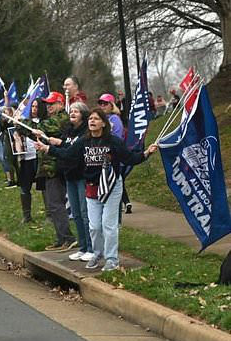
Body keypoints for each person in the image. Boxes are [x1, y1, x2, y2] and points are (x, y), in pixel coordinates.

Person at [35, 108, 158, 271]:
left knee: (109, 225)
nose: (92, 121)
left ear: (103, 123)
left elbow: (130, 158)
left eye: (96, 119)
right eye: (90, 119)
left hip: (112, 186)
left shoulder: (113, 141)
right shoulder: (83, 141)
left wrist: (147, 153)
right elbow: (67, 154)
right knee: (94, 226)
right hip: (92, 187)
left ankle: (112, 259)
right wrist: (47, 148)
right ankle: (97, 253)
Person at [39, 102, 93, 261]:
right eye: (72, 111)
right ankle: (82, 247)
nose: (73, 113)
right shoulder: (69, 131)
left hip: (82, 176)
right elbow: (64, 143)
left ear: (83, 114)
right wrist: (50, 140)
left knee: (85, 214)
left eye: (76, 111)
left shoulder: (85, 133)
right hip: (70, 176)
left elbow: (71, 152)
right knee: (76, 214)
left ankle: (91, 247)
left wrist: (49, 149)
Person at [34, 91, 76, 251]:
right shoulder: (52, 120)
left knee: (55, 203)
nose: (49, 107)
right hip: (50, 167)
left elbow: (39, 128)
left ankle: (67, 238)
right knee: (53, 204)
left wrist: (20, 123)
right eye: (47, 104)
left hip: (56, 167)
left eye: (52, 104)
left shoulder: (61, 119)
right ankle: (61, 238)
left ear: (60, 103)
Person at [15, 98, 47, 224]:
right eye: (32, 106)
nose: (34, 109)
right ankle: (26, 215)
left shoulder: (45, 122)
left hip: (39, 157)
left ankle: (49, 214)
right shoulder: (25, 122)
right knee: (24, 187)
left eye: (36, 106)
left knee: (44, 187)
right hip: (26, 157)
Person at [2, 105, 21, 188]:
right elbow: (2, 127)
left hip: (13, 143)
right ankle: (12, 179)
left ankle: (15, 180)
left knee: (14, 162)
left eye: (5, 113)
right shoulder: (5, 122)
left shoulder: (13, 121)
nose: (3, 114)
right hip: (8, 141)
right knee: (10, 161)